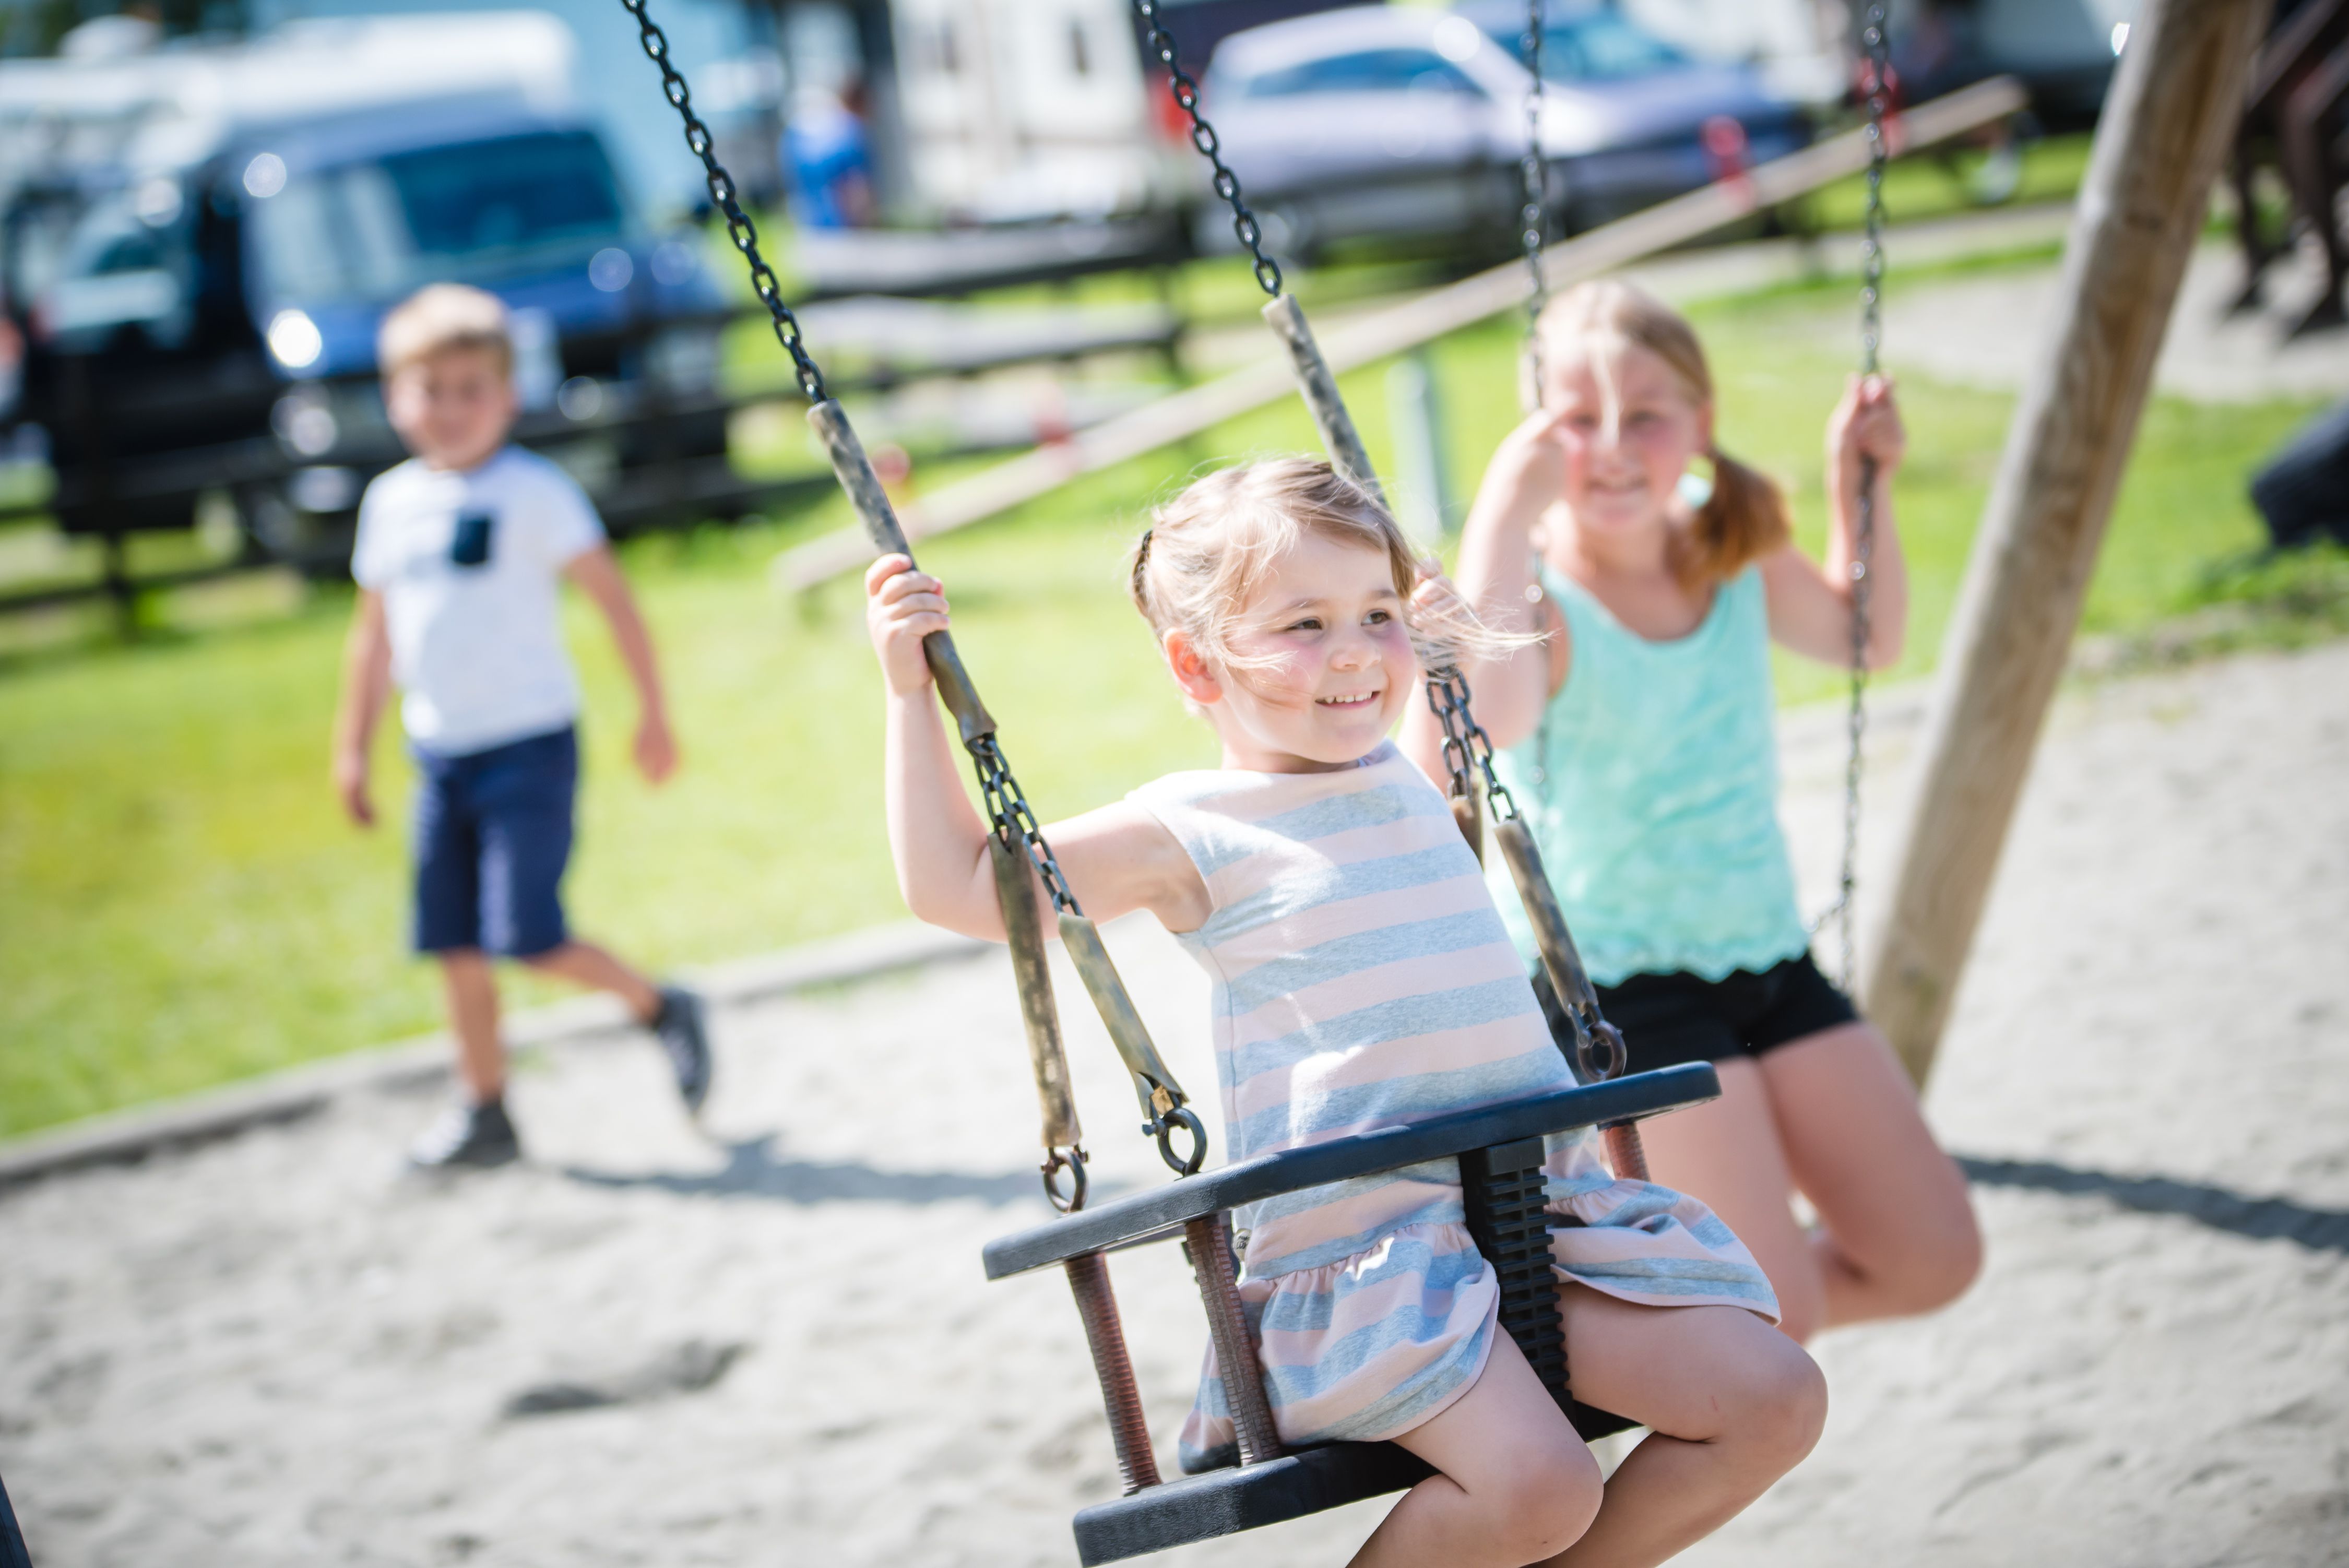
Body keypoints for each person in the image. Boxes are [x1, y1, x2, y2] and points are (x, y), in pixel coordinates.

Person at [866, 458, 1825, 1568]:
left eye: (1377, 613)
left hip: (1535, 1216)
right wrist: (906, 693)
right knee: (1538, 1485)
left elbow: (1485, 671)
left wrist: (1505, 503)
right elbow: (961, 886)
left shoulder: (1416, 768)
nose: (1358, 650)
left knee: (1773, 1396)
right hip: (1373, 1264)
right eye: (1304, 624)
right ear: (1195, 662)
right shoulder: (1194, 828)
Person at [1404, 280, 1981, 1346]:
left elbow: (1865, 634)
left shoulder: (1732, 544)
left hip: (1765, 953)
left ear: (1702, 425)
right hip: (1621, 995)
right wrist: (1501, 515)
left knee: (1933, 1255)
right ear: (1535, 436)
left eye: (1649, 414)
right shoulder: (1535, 595)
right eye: (1579, 420)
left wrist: (1865, 480)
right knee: (1780, 1311)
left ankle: (1653, 1321)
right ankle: (1647, 1331)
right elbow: (1474, 731)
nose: (1615, 447)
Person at [329, 283, 710, 1170]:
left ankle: (660, 1004)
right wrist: (352, 748)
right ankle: (485, 1107)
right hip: (439, 755)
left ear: (508, 395)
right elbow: (372, 636)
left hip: (529, 749)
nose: (452, 410)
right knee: (455, 945)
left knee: (527, 935)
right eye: (432, 390)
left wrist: (653, 711)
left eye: (473, 389)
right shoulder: (391, 504)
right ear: (397, 397)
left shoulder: (536, 493)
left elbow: (615, 602)